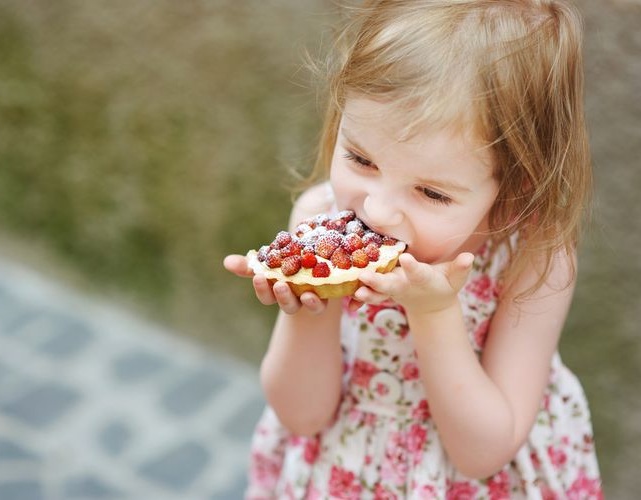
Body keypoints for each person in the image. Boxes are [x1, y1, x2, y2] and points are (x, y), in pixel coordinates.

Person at [224, 0, 602, 498]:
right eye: (361, 158)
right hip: (344, 470)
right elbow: (302, 416)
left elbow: (482, 454)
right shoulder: (319, 219)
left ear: (512, 193)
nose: (377, 212)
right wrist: (307, 310)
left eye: (432, 193)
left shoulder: (535, 261)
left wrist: (435, 312)